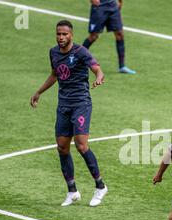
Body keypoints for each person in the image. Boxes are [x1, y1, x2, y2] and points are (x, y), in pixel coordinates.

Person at [30, 20, 108, 207]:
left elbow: (97, 69)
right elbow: (55, 74)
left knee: (81, 146)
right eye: (58, 34)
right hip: (63, 105)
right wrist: (39, 92)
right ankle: (72, 191)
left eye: (65, 34)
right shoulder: (53, 53)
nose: (61, 37)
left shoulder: (81, 52)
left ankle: (100, 186)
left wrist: (98, 77)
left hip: (81, 103)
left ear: (71, 35)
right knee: (62, 147)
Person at [83, 0, 136, 75]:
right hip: (100, 6)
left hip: (112, 5)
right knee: (93, 36)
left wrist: (120, 1)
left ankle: (122, 66)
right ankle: (75, 58)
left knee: (119, 34)